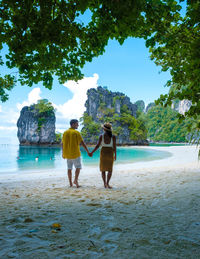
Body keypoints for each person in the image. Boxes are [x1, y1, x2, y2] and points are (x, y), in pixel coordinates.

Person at [62, 119, 91, 188]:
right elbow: (82, 143)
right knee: (78, 167)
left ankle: (70, 184)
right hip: (75, 154)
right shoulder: (76, 133)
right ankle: (75, 180)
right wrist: (88, 151)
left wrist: (63, 153)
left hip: (67, 154)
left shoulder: (65, 132)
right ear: (73, 124)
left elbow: (62, 143)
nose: (78, 125)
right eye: (77, 124)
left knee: (69, 168)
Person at [90, 123, 116, 188]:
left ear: (104, 129)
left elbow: (97, 146)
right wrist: (115, 155)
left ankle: (104, 184)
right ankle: (108, 183)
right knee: (110, 170)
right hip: (110, 152)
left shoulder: (101, 136)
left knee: (103, 169)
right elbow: (114, 147)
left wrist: (92, 152)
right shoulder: (113, 137)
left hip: (103, 152)